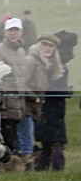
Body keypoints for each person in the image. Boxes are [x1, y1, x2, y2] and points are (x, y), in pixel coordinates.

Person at [35, 31, 76, 171]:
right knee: (55, 143)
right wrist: (66, 91)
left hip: (52, 107)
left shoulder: (57, 66)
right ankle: (56, 170)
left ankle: (43, 169)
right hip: (48, 107)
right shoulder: (47, 65)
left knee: (48, 143)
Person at [23, 32, 64, 169]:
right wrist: (35, 98)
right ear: (38, 46)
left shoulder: (53, 64)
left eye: (50, 46)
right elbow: (23, 83)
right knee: (29, 140)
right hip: (30, 107)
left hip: (45, 108)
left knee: (47, 140)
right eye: (44, 45)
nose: (47, 48)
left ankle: (42, 168)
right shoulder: (31, 60)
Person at [0, 17, 28, 153]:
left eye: (16, 30)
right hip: (6, 104)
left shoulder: (21, 51)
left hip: (20, 103)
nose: (13, 33)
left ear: (21, 32)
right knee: (9, 141)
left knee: (19, 140)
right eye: (10, 30)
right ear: (5, 32)